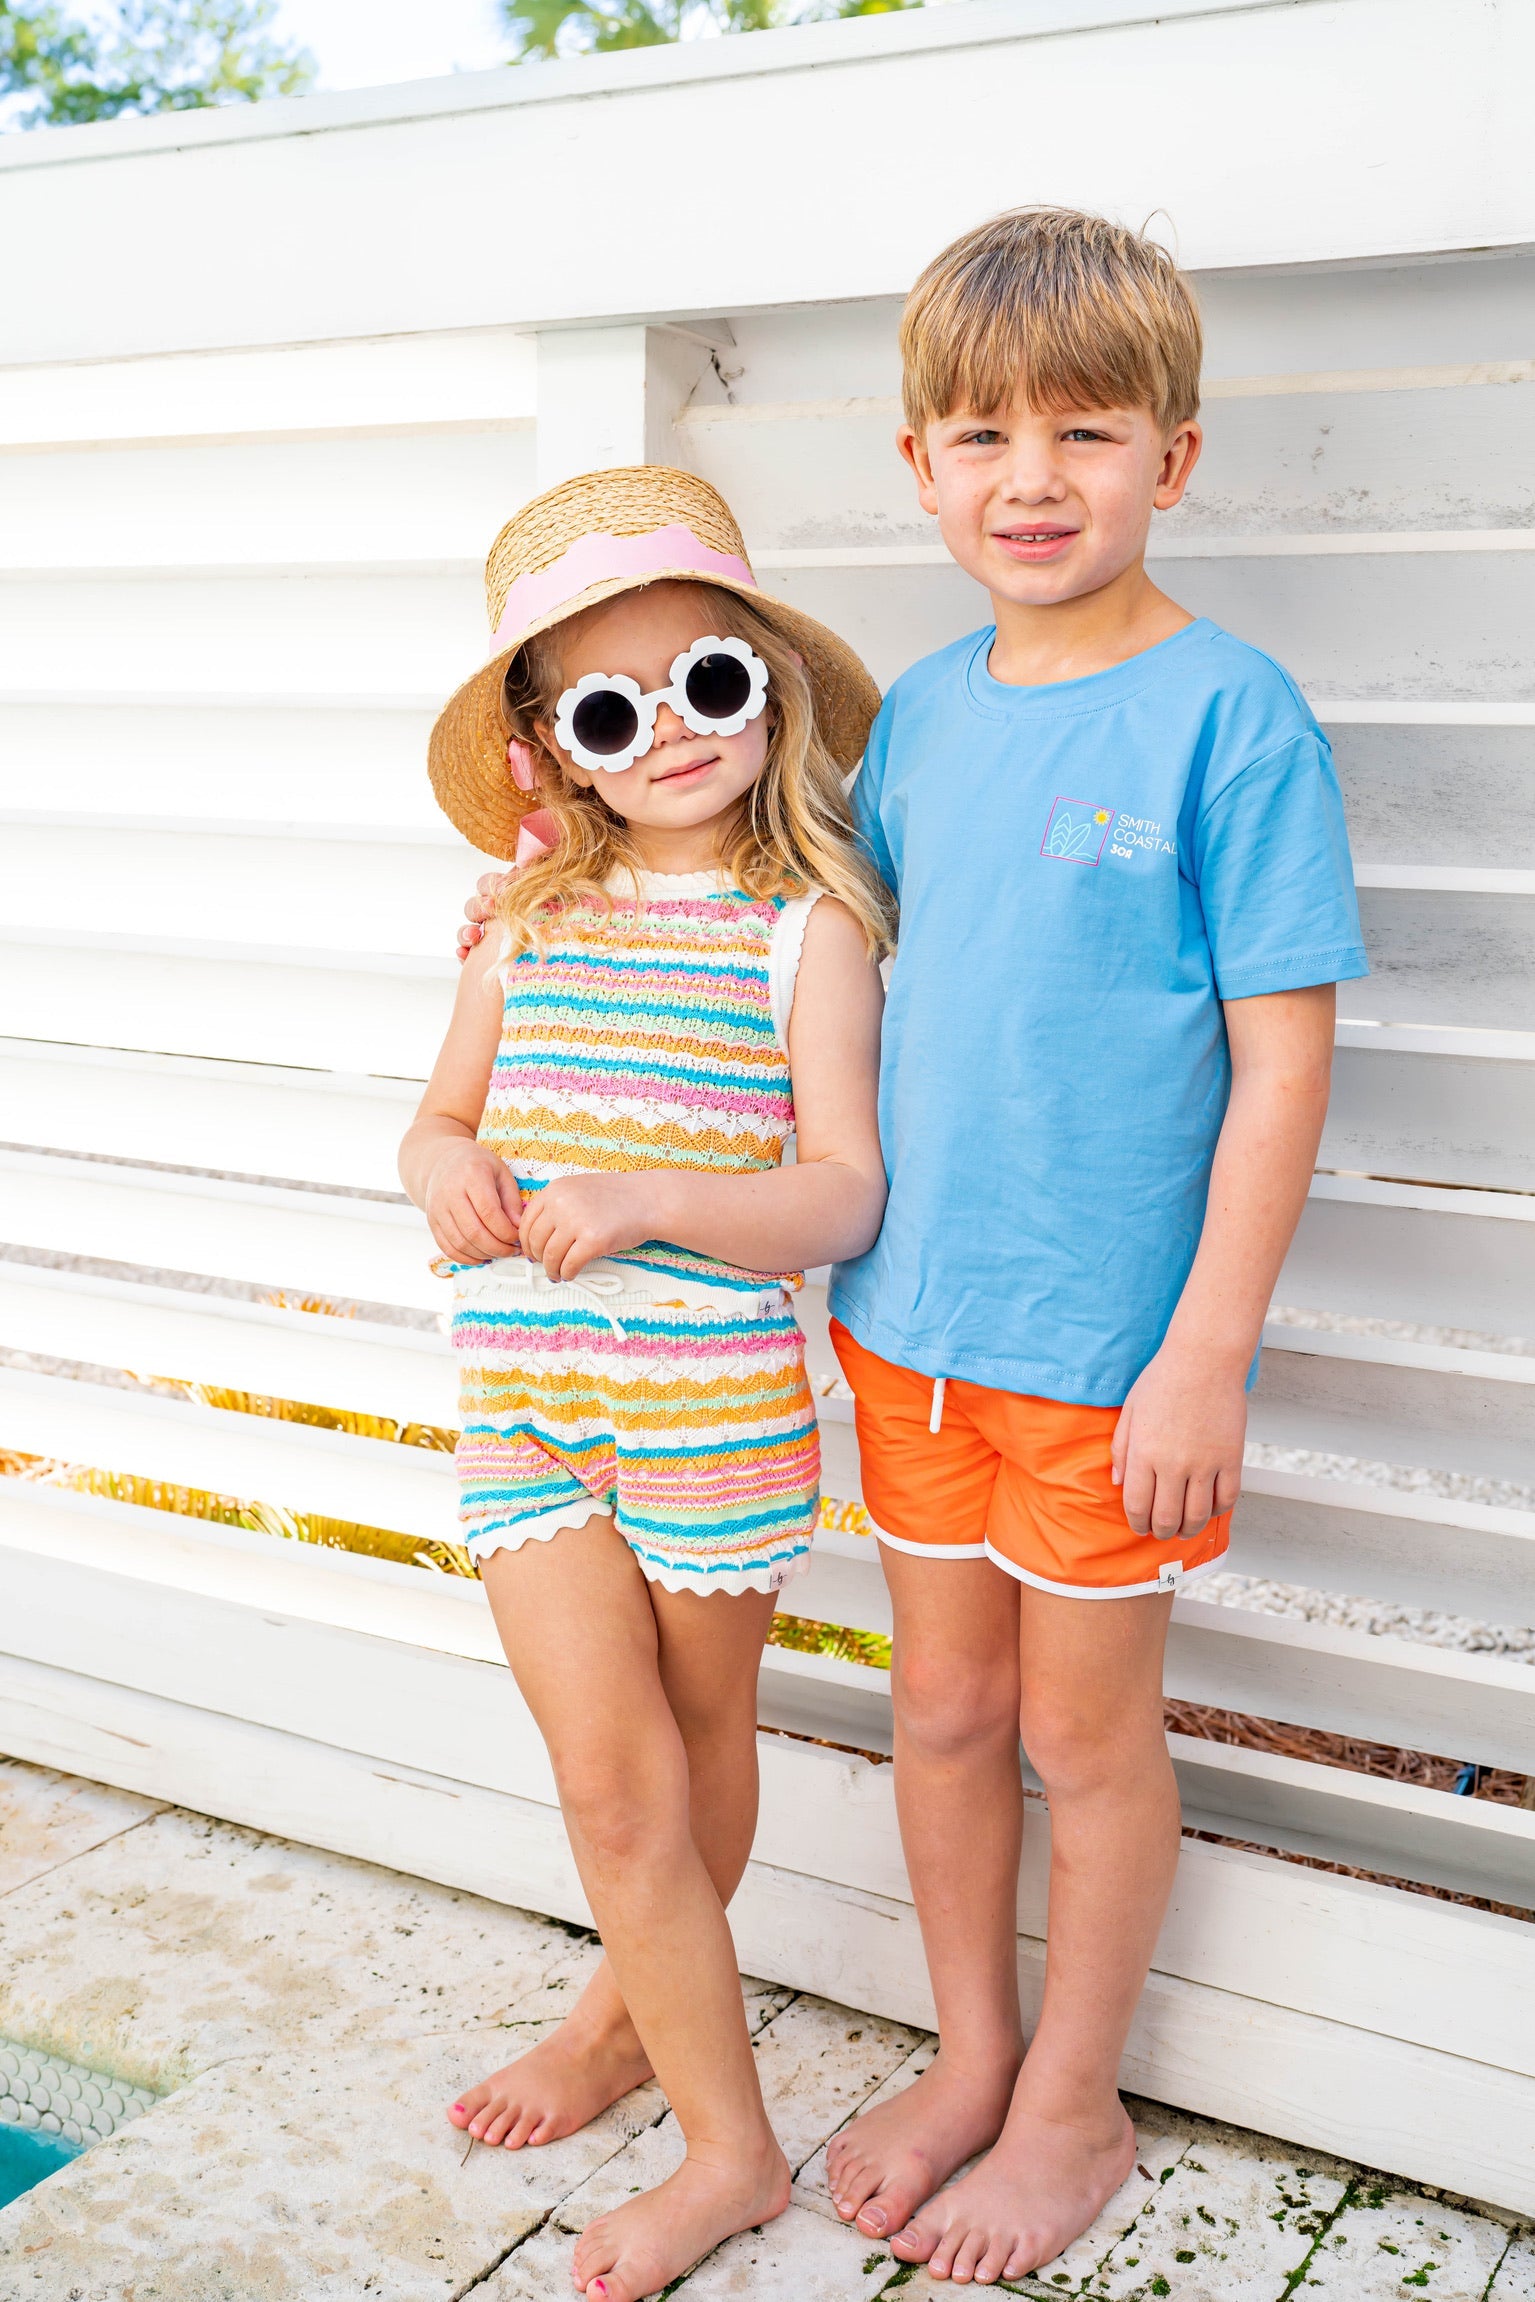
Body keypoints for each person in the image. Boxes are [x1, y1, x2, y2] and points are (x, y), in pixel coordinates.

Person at [816, 207, 1368, 2284]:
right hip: (906, 1329)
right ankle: (972, 2051)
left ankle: (1072, 2093)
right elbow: (819, 965)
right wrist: (541, 893)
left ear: (1178, 455)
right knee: (942, 1712)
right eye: (980, 434)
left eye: (1085, 429)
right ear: (919, 466)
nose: (1030, 476)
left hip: (1107, 1356)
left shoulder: (1233, 716)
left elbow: (1284, 1066)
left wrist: (1208, 1346)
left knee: (1079, 1733)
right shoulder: (921, 723)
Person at [401, 465, 892, 2302]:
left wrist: (656, 1198)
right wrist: (435, 1163)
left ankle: (637, 2041)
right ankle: (728, 2138)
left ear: (767, 686)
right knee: (610, 1790)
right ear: (557, 750)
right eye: (615, 708)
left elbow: (842, 1186)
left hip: (708, 1428)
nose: (673, 734)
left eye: (711, 683)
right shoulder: (521, 924)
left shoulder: (803, 927)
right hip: (526, 1404)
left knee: (691, 1761)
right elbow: (441, 1116)